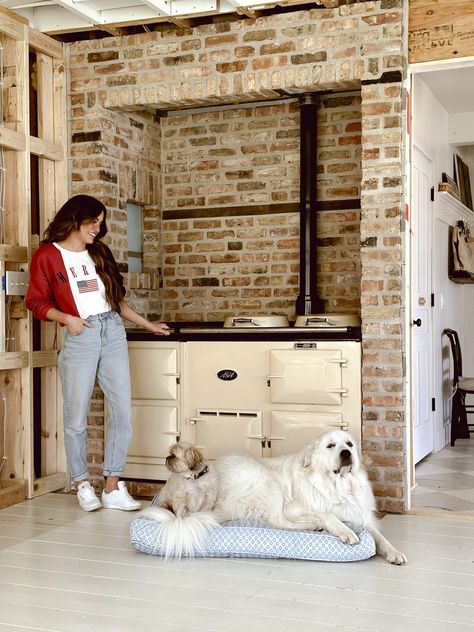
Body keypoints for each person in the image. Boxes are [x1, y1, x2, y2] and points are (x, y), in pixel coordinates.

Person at [25, 194, 170, 512]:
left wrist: (147, 325)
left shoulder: (99, 252)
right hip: (82, 333)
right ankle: (81, 483)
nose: (98, 228)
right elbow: (35, 301)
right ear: (76, 219)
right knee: (76, 416)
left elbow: (115, 300)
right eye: (94, 221)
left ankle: (113, 486)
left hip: (113, 331)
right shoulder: (48, 256)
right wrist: (66, 319)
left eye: (100, 223)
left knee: (122, 410)